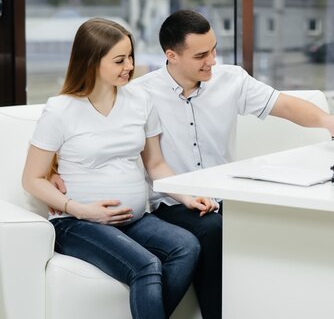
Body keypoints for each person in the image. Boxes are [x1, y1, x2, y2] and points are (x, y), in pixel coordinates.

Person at [130, 9, 334, 319]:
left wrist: (328, 120)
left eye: (214, 49)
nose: (212, 60)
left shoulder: (231, 80)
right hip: (174, 203)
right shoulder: (141, 95)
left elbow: (283, 105)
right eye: (201, 55)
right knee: (213, 230)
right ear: (172, 55)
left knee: (287, 222)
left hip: (229, 196)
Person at [22, 18, 214, 319]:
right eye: (120, 60)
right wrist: (82, 210)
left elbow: (155, 164)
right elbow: (32, 179)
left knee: (187, 246)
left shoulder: (140, 101)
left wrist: (187, 196)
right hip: (77, 222)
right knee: (147, 265)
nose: (130, 66)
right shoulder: (60, 110)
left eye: (131, 57)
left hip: (135, 218)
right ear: (92, 61)